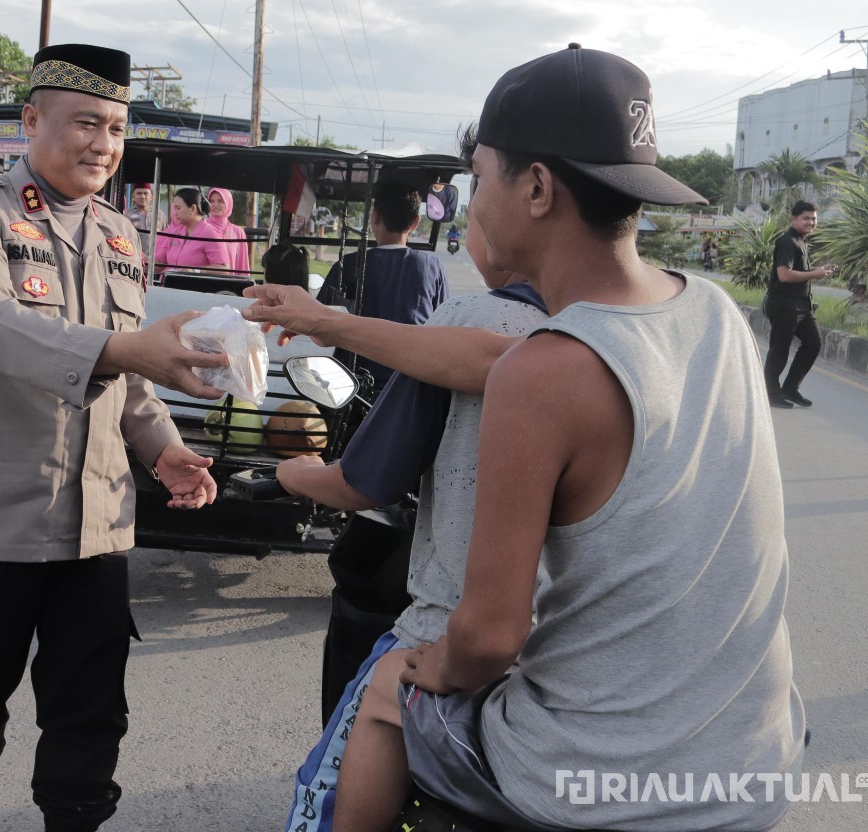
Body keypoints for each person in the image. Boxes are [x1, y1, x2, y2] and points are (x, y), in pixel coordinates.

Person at [311, 44, 803, 832]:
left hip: (597, 785)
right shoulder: (716, 313)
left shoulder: (544, 371)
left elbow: (486, 638)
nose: (467, 204)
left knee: (385, 693)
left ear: (536, 187)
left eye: (480, 176)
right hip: (756, 764)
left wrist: (423, 666)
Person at [0, 43, 227, 832]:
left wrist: (163, 449)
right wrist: (129, 352)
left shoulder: (122, 237)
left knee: (90, 706)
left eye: (117, 128)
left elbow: (132, 379)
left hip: (97, 524)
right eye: (86, 122)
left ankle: (75, 819)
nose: (103, 144)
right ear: (30, 120)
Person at [280, 205, 547, 831]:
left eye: (479, 191)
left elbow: (363, 480)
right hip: (576, 650)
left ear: (532, 197)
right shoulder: (643, 324)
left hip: (453, 629)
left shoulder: (474, 317)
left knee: (341, 763)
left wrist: (291, 473)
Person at [316, 186, 449, 395]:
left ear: (375, 217)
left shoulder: (349, 265)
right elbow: (443, 326)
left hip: (351, 386)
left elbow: (320, 323)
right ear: (415, 222)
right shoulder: (432, 267)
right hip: (410, 385)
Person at [763, 200, 834, 409]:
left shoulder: (801, 240)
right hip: (784, 305)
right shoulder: (787, 241)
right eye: (806, 218)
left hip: (802, 306)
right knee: (780, 349)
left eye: (813, 219)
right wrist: (816, 274)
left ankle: (790, 388)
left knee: (813, 343)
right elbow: (784, 275)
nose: (810, 222)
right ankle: (770, 392)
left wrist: (820, 269)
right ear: (793, 219)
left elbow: (799, 272)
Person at [151, 186, 231, 276]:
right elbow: (160, 263)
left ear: (193, 209)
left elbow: (224, 268)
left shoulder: (210, 233)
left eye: (178, 208)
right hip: (170, 287)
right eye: (175, 208)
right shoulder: (176, 233)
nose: (175, 212)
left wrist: (196, 271)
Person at [206, 186, 252, 278]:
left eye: (220, 201)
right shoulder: (201, 228)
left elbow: (242, 267)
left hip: (229, 288)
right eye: (211, 201)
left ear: (228, 203)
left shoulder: (238, 232)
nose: (215, 204)